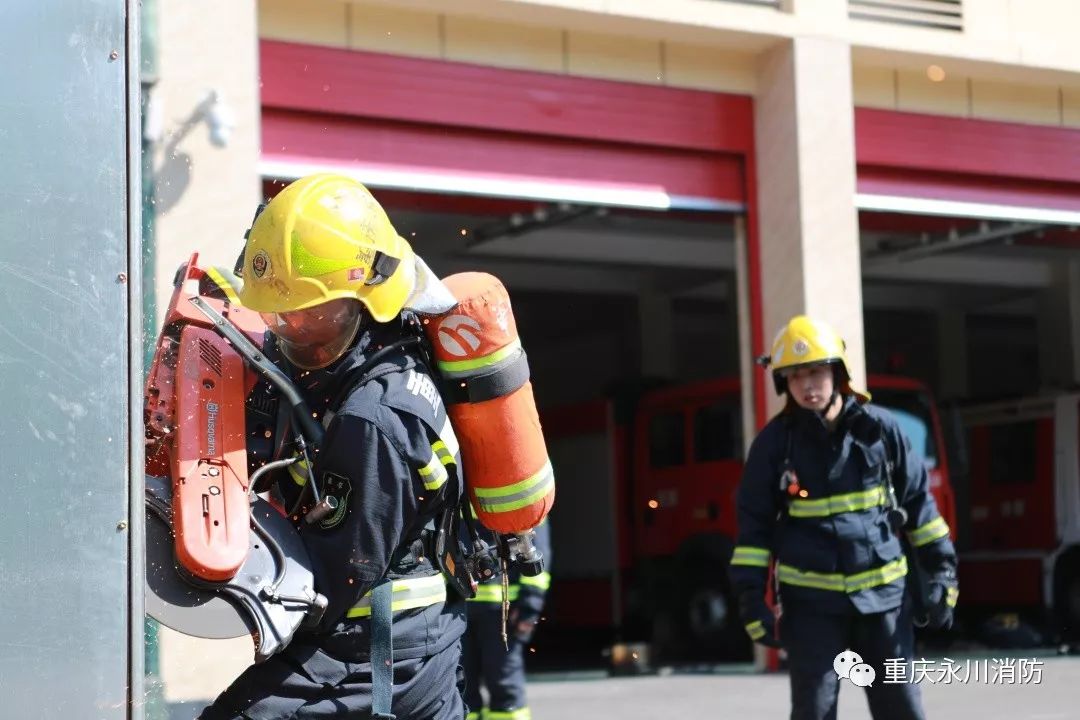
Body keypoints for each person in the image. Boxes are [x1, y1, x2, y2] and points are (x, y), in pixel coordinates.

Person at [200, 173, 470, 720]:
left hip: (380, 649)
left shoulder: (373, 417)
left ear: (368, 298)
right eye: (283, 315)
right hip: (402, 641)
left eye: (315, 315)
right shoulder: (366, 357)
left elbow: (330, 581)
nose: (294, 329)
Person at [729, 315, 958, 720]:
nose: (807, 385)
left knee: (902, 710)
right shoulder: (773, 445)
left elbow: (921, 510)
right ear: (784, 383)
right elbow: (754, 530)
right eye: (795, 376)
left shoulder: (882, 431)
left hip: (885, 602)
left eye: (815, 372)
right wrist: (751, 601)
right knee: (813, 712)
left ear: (837, 373)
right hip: (811, 608)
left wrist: (943, 577)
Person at [462, 518, 552, 720]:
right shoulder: (457, 489)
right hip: (458, 609)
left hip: (503, 612)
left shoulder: (524, 493)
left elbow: (536, 555)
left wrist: (530, 606)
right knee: (461, 689)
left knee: (504, 685)